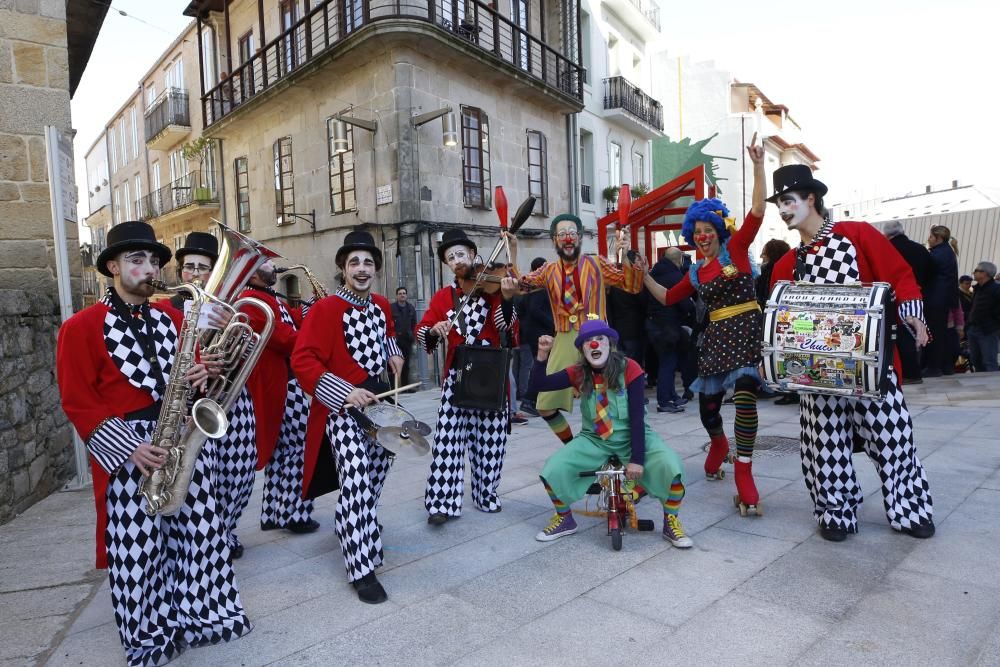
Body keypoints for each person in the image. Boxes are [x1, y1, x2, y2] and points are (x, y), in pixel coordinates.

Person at [56, 221, 251, 666]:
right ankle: (149, 635)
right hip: (131, 450)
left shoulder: (173, 318)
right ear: (112, 266)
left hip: (181, 437)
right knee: (138, 550)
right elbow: (77, 401)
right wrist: (129, 448)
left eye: (154, 261)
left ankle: (208, 617)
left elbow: (191, 375)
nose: (149, 269)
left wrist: (203, 374)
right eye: (136, 260)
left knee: (202, 533)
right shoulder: (81, 327)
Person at [768, 164, 934, 542]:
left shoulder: (857, 235)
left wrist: (914, 318)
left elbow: (899, 274)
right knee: (823, 444)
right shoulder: (785, 265)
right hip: (816, 372)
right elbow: (782, 321)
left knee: (893, 437)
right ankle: (835, 511)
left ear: (812, 199)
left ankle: (909, 508)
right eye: (779, 202)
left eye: (788, 200)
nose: (783, 209)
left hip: (870, 366)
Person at [643, 136, 767, 514]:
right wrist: (642, 274)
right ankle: (718, 444)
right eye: (695, 233)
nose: (701, 236)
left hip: (747, 332)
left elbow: (758, 211)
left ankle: (744, 473)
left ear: (717, 230)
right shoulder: (695, 271)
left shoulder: (739, 250)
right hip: (715, 339)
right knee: (707, 407)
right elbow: (667, 297)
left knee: (745, 396)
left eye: (706, 230)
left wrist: (759, 165)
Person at [291, 230, 404, 604]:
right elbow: (303, 360)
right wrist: (344, 392)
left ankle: (354, 525)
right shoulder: (325, 309)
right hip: (343, 410)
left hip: (380, 408)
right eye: (354, 262)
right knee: (355, 481)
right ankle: (361, 568)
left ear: (376, 269)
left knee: (374, 477)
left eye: (368, 262)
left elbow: (386, 331)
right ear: (343, 268)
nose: (361, 268)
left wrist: (394, 352)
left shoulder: (381, 305)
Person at [528, 319, 692, 548]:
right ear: (582, 349)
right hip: (594, 439)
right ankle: (564, 518)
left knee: (671, 467)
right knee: (553, 469)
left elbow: (637, 417)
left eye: (599, 339)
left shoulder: (630, 368)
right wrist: (542, 355)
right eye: (587, 341)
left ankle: (670, 521)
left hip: (631, 437)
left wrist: (637, 460)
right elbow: (539, 385)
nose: (594, 345)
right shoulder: (578, 372)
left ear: (610, 344)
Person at [416, 229, 519, 524]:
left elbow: (505, 326)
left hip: (491, 371)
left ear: (474, 256)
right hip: (457, 373)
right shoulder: (443, 297)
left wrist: (508, 299)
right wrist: (433, 330)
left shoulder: (492, 288)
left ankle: (486, 495)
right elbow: (422, 330)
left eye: (461, 254)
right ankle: (442, 504)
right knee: (447, 440)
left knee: (492, 440)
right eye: (451, 258)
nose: (457, 260)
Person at [165, 231, 257, 559]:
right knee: (204, 474)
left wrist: (234, 325)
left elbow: (248, 349)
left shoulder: (226, 308)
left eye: (204, 267)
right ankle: (209, 536)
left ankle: (227, 528)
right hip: (191, 402)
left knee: (241, 470)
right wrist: (203, 361)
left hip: (232, 396)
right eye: (189, 267)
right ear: (180, 273)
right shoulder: (166, 311)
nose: (196, 274)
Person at [515, 213, 645, 444]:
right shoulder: (548, 270)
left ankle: (611, 447)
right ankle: (573, 445)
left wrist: (625, 254)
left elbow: (631, 285)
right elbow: (521, 285)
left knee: (607, 399)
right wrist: (513, 251)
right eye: (562, 234)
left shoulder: (597, 263)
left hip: (596, 336)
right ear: (554, 240)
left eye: (572, 233)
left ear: (580, 238)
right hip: (564, 338)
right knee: (545, 404)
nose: (568, 239)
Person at [241, 259, 319, 534]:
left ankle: (275, 512)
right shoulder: (252, 301)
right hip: (282, 382)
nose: (274, 268)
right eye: (268, 264)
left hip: (286, 382)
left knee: (284, 451)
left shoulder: (269, 298)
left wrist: (312, 309)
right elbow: (286, 338)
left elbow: (292, 321)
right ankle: (294, 514)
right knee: (298, 449)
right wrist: (315, 336)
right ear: (252, 272)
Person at [881, 221, 933, 383]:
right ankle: (914, 372)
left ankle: (908, 373)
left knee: (900, 336)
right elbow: (931, 272)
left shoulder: (887, 250)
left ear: (886, 235)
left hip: (893, 296)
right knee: (914, 334)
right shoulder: (920, 249)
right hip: (918, 296)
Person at [645, 247, 696, 413]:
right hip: (668, 327)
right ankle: (664, 401)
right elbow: (685, 303)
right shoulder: (676, 276)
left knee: (666, 362)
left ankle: (672, 395)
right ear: (679, 259)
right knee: (668, 364)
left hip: (654, 325)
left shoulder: (653, 274)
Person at [513, 256, 555, 417]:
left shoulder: (529, 287)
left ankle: (535, 400)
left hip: (531, 332)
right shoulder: (537, 288)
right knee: (540, 366)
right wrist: (554, 324)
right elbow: (536, 310)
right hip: (539, 333)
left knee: (537, 366)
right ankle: (530, 401)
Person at [923, 225, 959, 377]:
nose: (929, 240)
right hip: (943, 298)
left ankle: (934, 366)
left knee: (935, 333)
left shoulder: (939, 254)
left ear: (939, 238)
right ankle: (945, 365)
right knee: (941, 333)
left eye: (931, 237)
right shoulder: (947, 252)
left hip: (936, 298)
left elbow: (927, 270)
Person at [967, 261, 1000, 372]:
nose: (974, 273)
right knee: (975, 360)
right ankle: (981, 382)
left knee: (989, 361)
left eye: (976, 271)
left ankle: (993, 387)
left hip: (988, 330)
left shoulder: (996, 289)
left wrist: (994, 324)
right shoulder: (978, 288)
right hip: (973, 329)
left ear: (985, 273)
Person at [390, 286, 418, 389]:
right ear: (397, 296)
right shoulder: (391, 308)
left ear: (406, 295)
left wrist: (414, 337)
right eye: (400, 293)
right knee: (393, 364)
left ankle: (405, 387)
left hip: (407, 340)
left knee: (406, 364)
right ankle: (393, 388)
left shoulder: (411, 308)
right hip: (395, 340)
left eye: (404, 293)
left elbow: (414, 324)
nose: (402, 295)